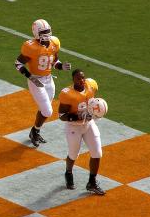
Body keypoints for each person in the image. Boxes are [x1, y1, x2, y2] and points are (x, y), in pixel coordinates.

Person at [15, 19, 71, 147]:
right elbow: (18, 64)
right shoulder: (30, 47)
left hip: (49, 78)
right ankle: (34, 131)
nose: (47, 34)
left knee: (44, 109)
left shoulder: (54, 43)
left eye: (48, 31)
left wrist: (61, 66)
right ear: (36, 33)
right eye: (43, 32)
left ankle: (35, 131)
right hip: (36, 80)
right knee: (48, 111)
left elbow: (54, 61)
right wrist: (30, 77)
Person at [58, 69, 105, 195]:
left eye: (83, 78)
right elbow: (62, 115)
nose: (82, 80)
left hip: (88, 124)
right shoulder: (67, 94)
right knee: (73, 154)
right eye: (78, 78)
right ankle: (68, 172)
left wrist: (97, 108)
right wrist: (78, 117)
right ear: (73, 80)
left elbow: (94, 100)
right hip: (73, 127)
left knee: (97, 153)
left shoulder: (91, 85)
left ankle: (92, 182)